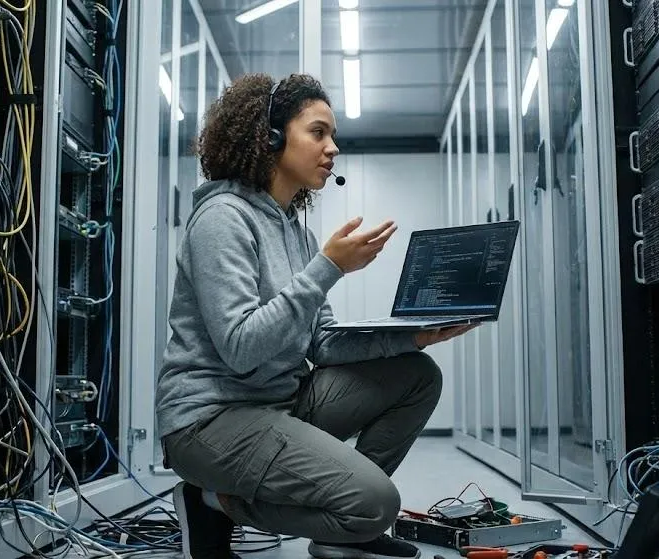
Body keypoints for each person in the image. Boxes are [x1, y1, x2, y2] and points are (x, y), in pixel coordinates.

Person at [155, 73, 477, 559]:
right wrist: (329, 267)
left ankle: (342, 526)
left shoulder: (297, 233)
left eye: (333, 135)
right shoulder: (222, 218)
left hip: (279, 403)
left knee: (418, 375)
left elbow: (322, 343)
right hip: (210, 420)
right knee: (376, 505)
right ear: (269, 137)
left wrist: (414, 338)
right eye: (318, 132)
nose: (333, 148)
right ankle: (213, 502)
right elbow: (241, 349)